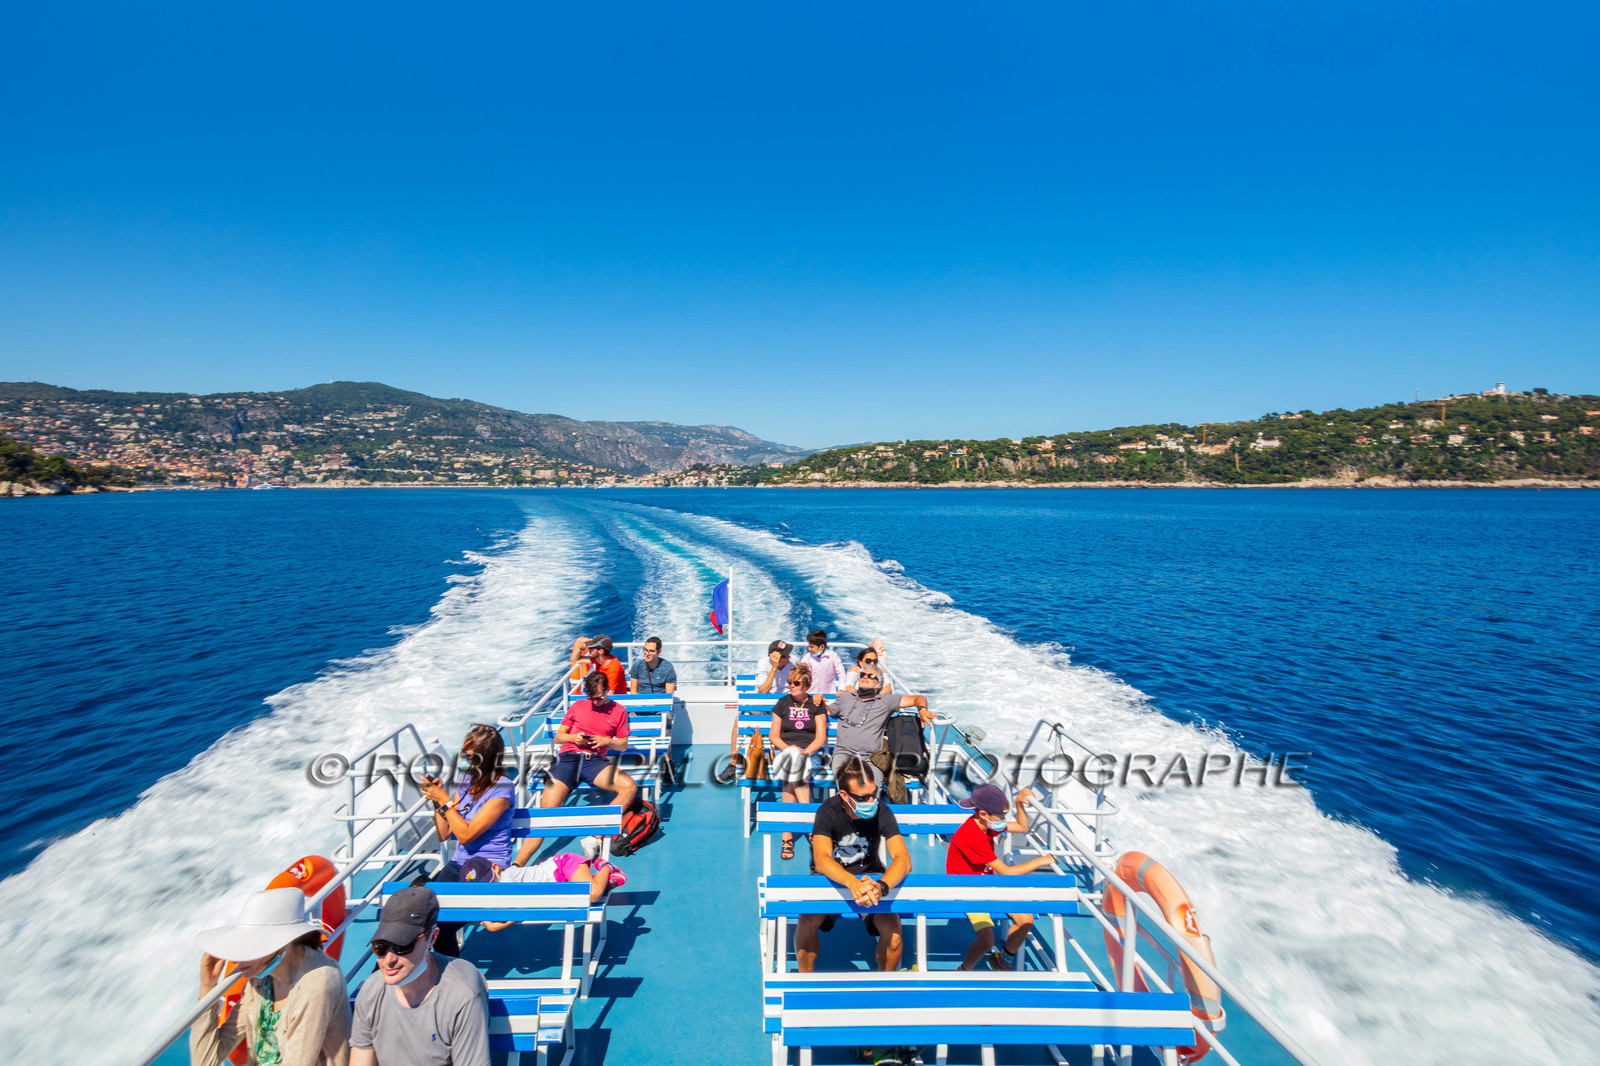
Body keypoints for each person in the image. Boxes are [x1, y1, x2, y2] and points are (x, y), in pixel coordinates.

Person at [190, 887, 351, 1066]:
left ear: (282, 944)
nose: (235, 959)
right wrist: (208, 987)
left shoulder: (318, 982)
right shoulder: (260, 982)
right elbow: (205, 1061)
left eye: (250, 946)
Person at [349, 886, 490, 1066]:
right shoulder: (371, 990)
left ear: (432, 938)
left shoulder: (462, 993)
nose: (389, 959)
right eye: (381, 947)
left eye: (403, 946)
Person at [795, 758, 911, 974]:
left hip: (871, 878)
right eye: (862, 797)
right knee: (807, 921)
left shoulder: (882, 811)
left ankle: (884, 985)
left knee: (894, 932)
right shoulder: (827, 812)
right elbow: (821, 860)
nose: (870, 801)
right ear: (844, 796)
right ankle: (805, 981)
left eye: (873, 794)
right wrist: (851, 882)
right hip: (831, 878)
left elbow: (903, 859)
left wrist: (882, 886)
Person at [511, 671, 637, 865]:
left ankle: (596, 837)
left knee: (629, 787)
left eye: (601, 697)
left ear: (607, 690)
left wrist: (607, 741)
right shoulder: (578, 706)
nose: (596, 702)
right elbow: (559, 736)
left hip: (594, 761)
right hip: (567, 759)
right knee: (545, 813)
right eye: (592, 698)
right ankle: (516, 865)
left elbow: (623, 745)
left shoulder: (619, 711)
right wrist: (573, 738)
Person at [946, 784, 1058, 971]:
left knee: (1026, 920)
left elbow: (1022, 827)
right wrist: (1041, 861)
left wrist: (1019, 803)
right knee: (987, 940)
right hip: (967, 888)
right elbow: (1006, 872)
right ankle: (964, 969)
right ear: (983, 814)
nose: (1003, 821)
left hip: (988, 883)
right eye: (1002, 817)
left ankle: (1001, 960)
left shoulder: (987, 824)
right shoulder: (972, 835)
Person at [419, 724, 516, 873]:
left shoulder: (502, 787)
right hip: (459, 861)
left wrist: (444, 799)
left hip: (489, 865)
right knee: (423, 893)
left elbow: (466, 836)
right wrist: (437, 798)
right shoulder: (466, 781)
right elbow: (444, 833)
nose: (464, 759)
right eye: (463, 754)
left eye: (470, 756)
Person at [458, 847, 626, 923]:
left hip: (562, 866)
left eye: (490, 881)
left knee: (594, 895)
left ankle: (606, 867)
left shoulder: (508, 877)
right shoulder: (501, 891)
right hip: (561, 884)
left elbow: (502, 919)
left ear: (495, 868)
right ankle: (602, 880)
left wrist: (488, 918)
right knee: (585, 894)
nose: (491, 889)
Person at [769, 662, 829, 861]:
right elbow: (774, 737)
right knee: (794, 768)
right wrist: (790, 749)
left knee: (790, 779)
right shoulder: (782, 703)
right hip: (785, 752)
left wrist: (804, 752)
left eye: (796, 683)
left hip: (809, 753)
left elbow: (820, 738)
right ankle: (812, 827)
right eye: (789, 682)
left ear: (806, 685)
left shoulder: (816, 705)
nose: (791, 686)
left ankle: (787, 837)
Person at [830, 665, 932, 768]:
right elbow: (827, 711)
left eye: (871, 676)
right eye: (862, 675)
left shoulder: (885, 701)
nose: (865, 677)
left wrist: (922, 710)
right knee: (847, 781)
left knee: (872, 783)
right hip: (844, 755)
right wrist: (817, 698)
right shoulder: (845, 697)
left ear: (879, 685)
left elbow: (918, 698)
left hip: (872, 758)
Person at [799, 630, 847, 696]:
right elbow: (801, 675)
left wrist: (841, 689)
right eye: (809, 646)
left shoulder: (833, 656)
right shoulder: (806, 657)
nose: (809, 649)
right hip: (809, 694)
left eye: (812, 646)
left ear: (822, 647)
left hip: (828, 695)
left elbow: (841, 674)